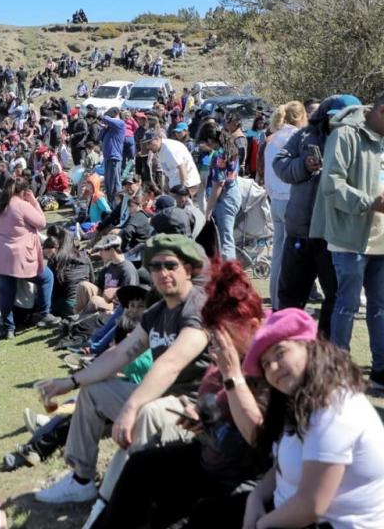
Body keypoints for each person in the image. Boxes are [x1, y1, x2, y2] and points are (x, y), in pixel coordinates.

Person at [87, 258, 267, 529]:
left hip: (242, 478)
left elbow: (257, 440)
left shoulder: (268, 366)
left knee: (185, 513)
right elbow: (219, 417)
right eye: (213, 335)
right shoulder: (222, 361)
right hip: (209, 458)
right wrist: (202, 419)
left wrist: (232, 377)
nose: (216, 344)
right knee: (140, 466)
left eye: (224, 335)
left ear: (252, 326)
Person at [35, 234, 210, 504]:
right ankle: (81, 480)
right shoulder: (158, 312)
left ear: (188, 269)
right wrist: (70, 381)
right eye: (155, 266)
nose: (162, 272)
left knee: (146, 412)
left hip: (198, 411)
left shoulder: (198, 307)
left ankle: (120, 500)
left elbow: (171, 363)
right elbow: (120, 353)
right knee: (93, 391)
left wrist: (131, 408)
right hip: (165, 402)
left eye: (170, 265)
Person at [241, 308, 384, 529]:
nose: (274, 368)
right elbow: (287, 464)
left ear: (309, 346)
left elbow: (311, 505)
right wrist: (256, 497)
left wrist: (260, 524)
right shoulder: (301, 399)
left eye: (280, 353)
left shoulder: (335, 410)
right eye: (266, 364)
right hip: (288, 513)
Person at [273, 95, 360, 335]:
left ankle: (325, 352)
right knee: (290, 294)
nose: (337, 123)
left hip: (334, 235)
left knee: (334, 296)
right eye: (332, 118)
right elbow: (280, 164)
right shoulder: (304, 136)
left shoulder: (359, 141)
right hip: (299, 230)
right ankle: (284, 344)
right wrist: (305, 166)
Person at [315, 95, 384, 388]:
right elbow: (332, 185)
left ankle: (380, 370)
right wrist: (369, 202)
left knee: (380, 306)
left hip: (382, 241)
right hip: (349, 240)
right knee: (347, 305)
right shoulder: (344, 135)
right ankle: (339, 371)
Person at [0, 177, 60, 339]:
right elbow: (42, 222)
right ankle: (44, 314)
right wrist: (34, 202)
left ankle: (8, 329)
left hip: (0, 255)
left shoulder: (0, 208)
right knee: (47, 278)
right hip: (20, 255)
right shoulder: (22, 205)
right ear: (23, 191)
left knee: (7, 293)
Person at [264, 101, 308, 310]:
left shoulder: (272, 139)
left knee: (278, 254)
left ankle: (276, 301)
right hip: (291, 200)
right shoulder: (296, 138)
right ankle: (286, 303)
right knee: (292, 257)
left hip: (275, 200)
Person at [199, 123, 241, 260]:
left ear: (210, 140)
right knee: (224, 238)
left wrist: (208, 209)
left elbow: (219, 183)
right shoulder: (230, 148)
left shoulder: (219, 155)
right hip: (231, 194)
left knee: (225, 240)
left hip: (225, 198)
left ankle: (230, 276)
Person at [142, 129, 201, 196]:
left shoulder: (170, 149)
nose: (148, 147)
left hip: (188, 183)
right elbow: (168, 170)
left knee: (184, 205)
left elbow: (182, 167)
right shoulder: (159, 149)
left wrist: (183, 190)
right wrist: (166, 186)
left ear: (158, 139)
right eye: (146, 144)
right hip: (176, 184)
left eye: (149, 143)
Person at [99, 110, 125, 206]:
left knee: (115, 182)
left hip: (114, 157)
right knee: (108, 183)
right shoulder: (109, 128)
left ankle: (118, 204)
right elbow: (99, 137)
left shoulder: (120, 123)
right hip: (108, 157)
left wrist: (103, 116)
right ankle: (111, 203)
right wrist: (104, 129)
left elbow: (105, 118)